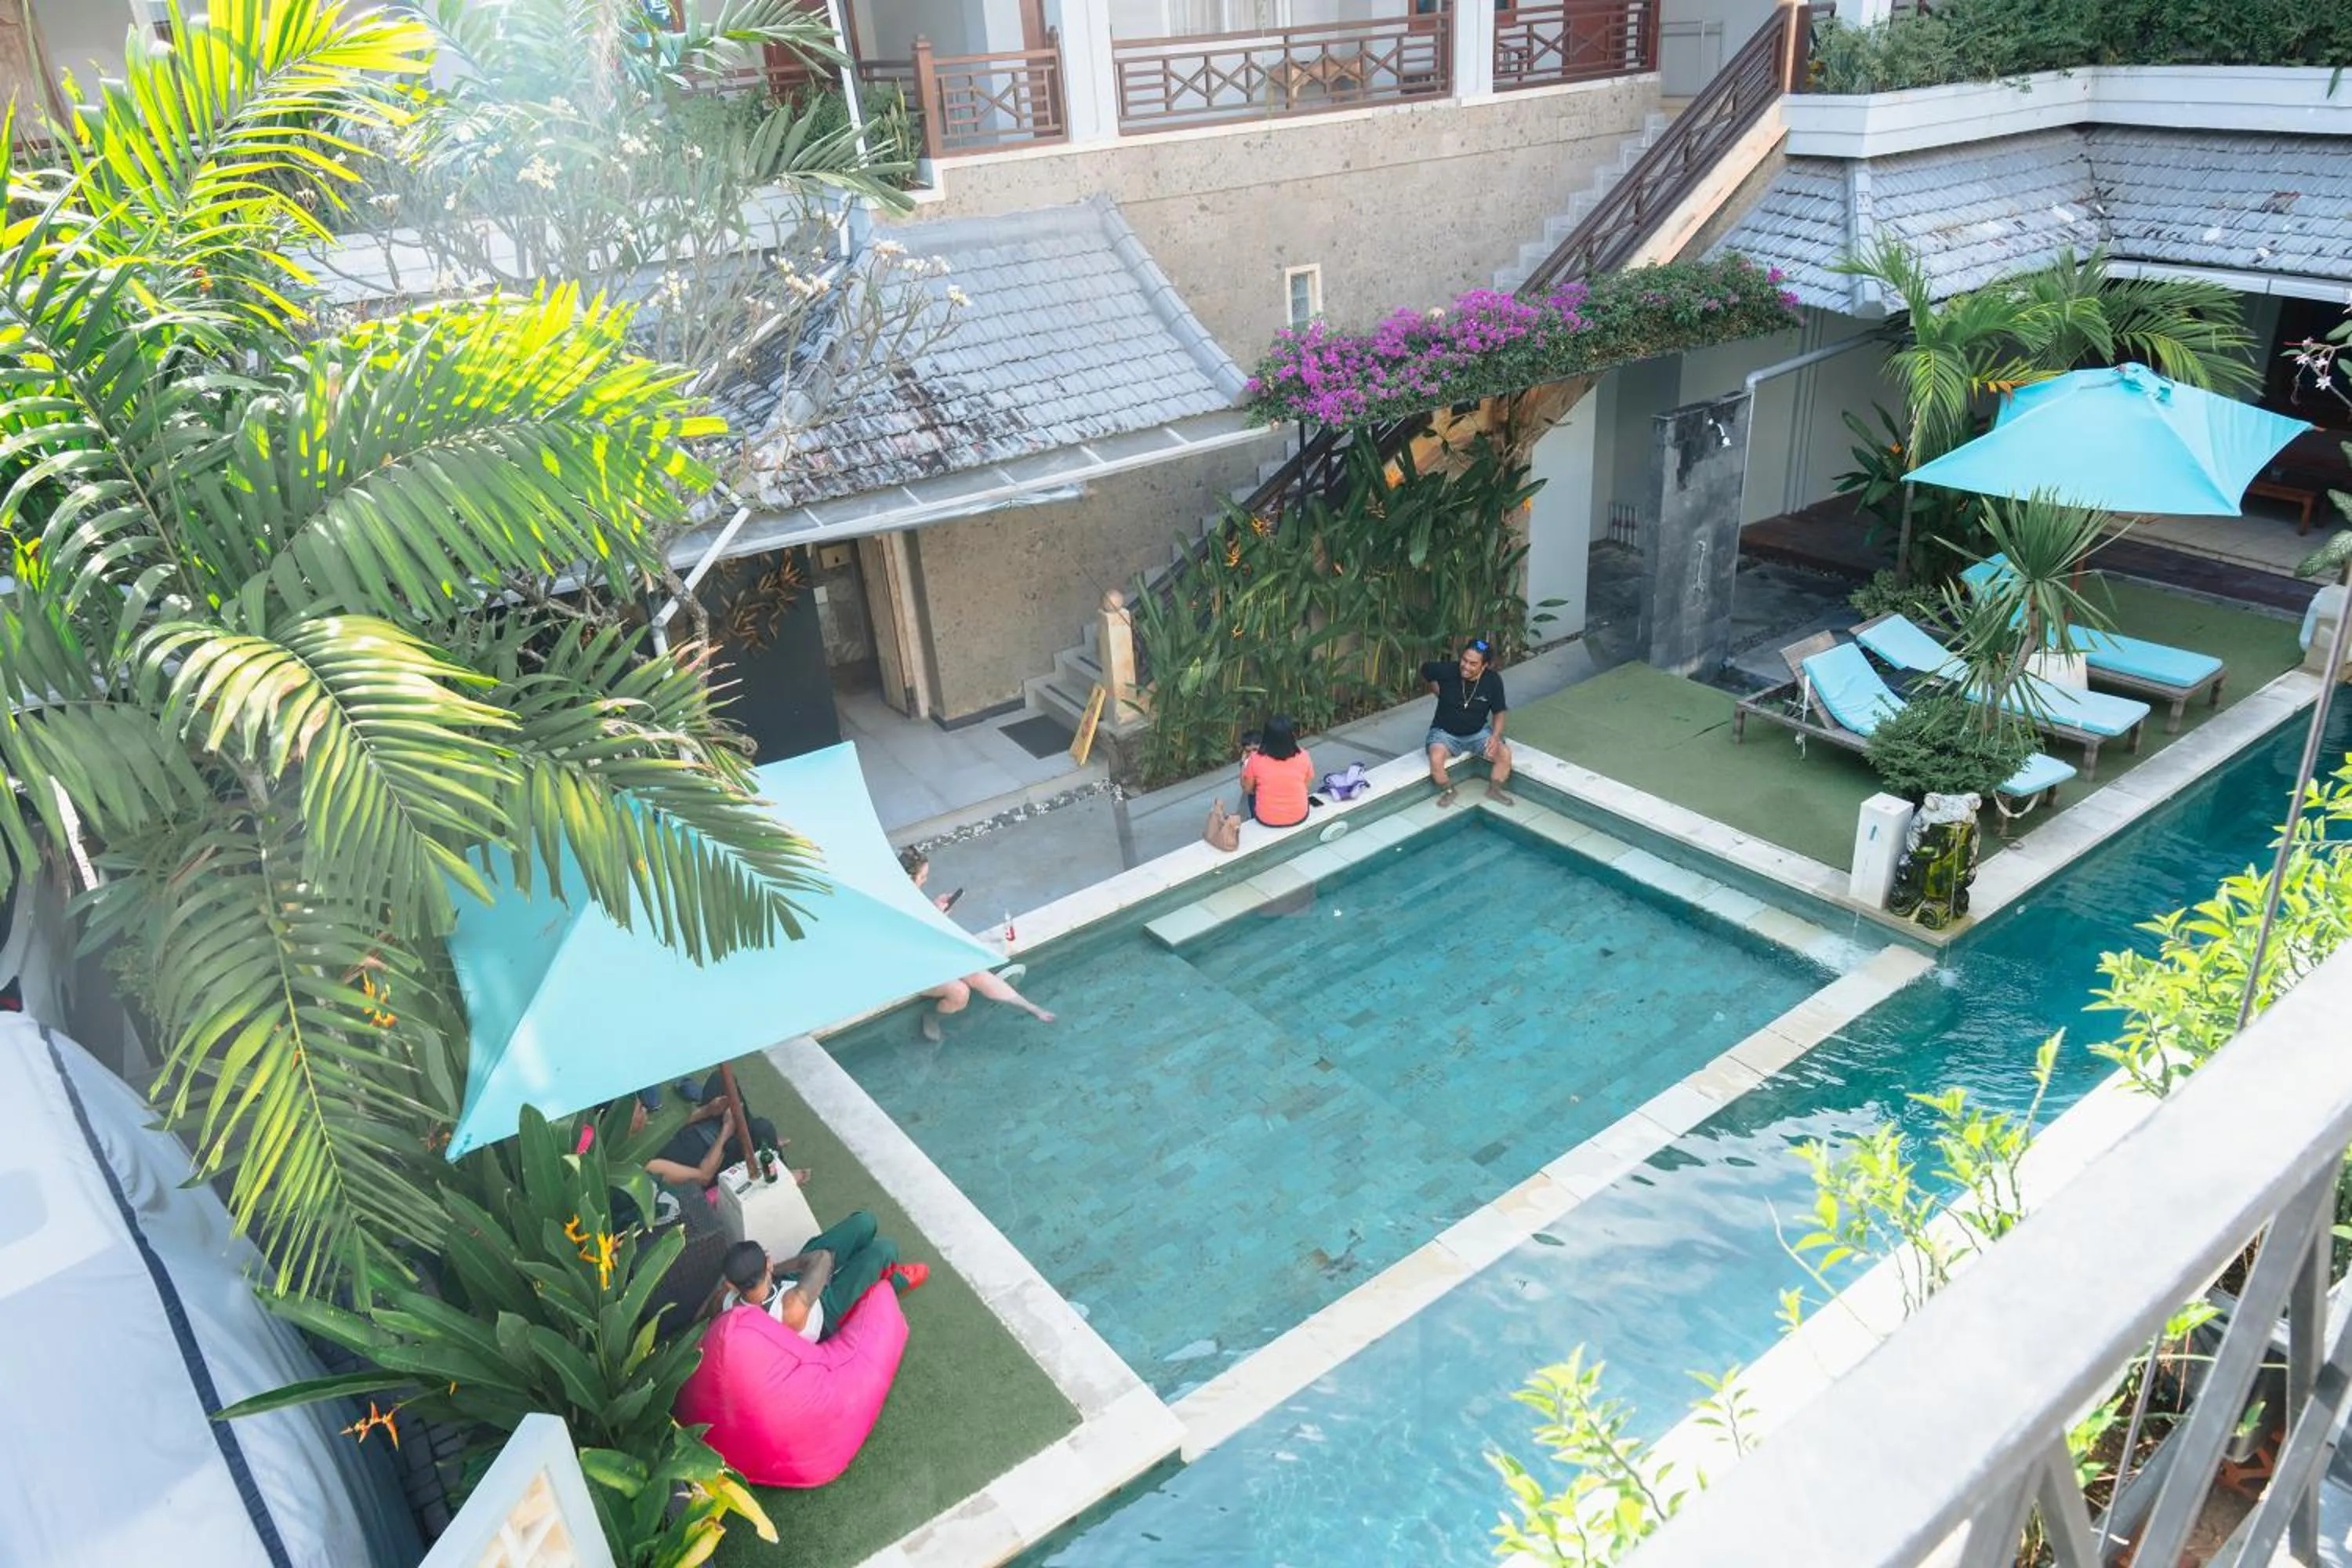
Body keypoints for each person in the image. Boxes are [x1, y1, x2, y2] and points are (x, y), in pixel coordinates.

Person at [897, 848, 1056, 1040]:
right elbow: (905, 943)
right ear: (907, 878)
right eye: (922, 877)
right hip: (908, 967)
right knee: (959, 992)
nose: (925, 881)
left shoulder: (909, 895)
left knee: (976, 972)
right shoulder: (893, 903)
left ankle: (1031, 1007)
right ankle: (932, 1017)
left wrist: (934, 911)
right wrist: (936, 918)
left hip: (928, 953)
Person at [715, 1219, 928, 1343]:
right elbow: (822, 1259)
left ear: (731, 1284)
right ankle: (893, 1280)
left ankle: (862, 1266)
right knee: (885, 1249)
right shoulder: (790, 1309)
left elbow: (709, 1310)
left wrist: (773, 1273)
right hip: (825, 1311)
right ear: (768, 1263)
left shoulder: (727, 1300)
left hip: (786, 1283)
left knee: (865, 1221)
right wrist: (773, 1269)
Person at [1422, 637, 1513, 807]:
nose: (1465, 666)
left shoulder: (1493, 681)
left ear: (1484, 665)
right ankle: (1449, 791)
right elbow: (1426, 671)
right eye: (1464, 660)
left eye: (1473, 663)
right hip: (1444, 733)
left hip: (1478, 733)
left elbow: (1499, 712)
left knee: (1504, 754)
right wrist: (1439, 693)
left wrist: (1495, 736)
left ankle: (1494, 790)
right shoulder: (1447, 671)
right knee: (1436, 758)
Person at [1240, 713, 1315, 828]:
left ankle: (1254, 818)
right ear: (1292, 736)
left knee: (1252, 794)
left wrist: (1242, 765)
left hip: (1267, 819)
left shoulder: (1255, 759)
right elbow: (1306, 784)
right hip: (1299, 815)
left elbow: (1247, 789)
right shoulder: (1304, 755)